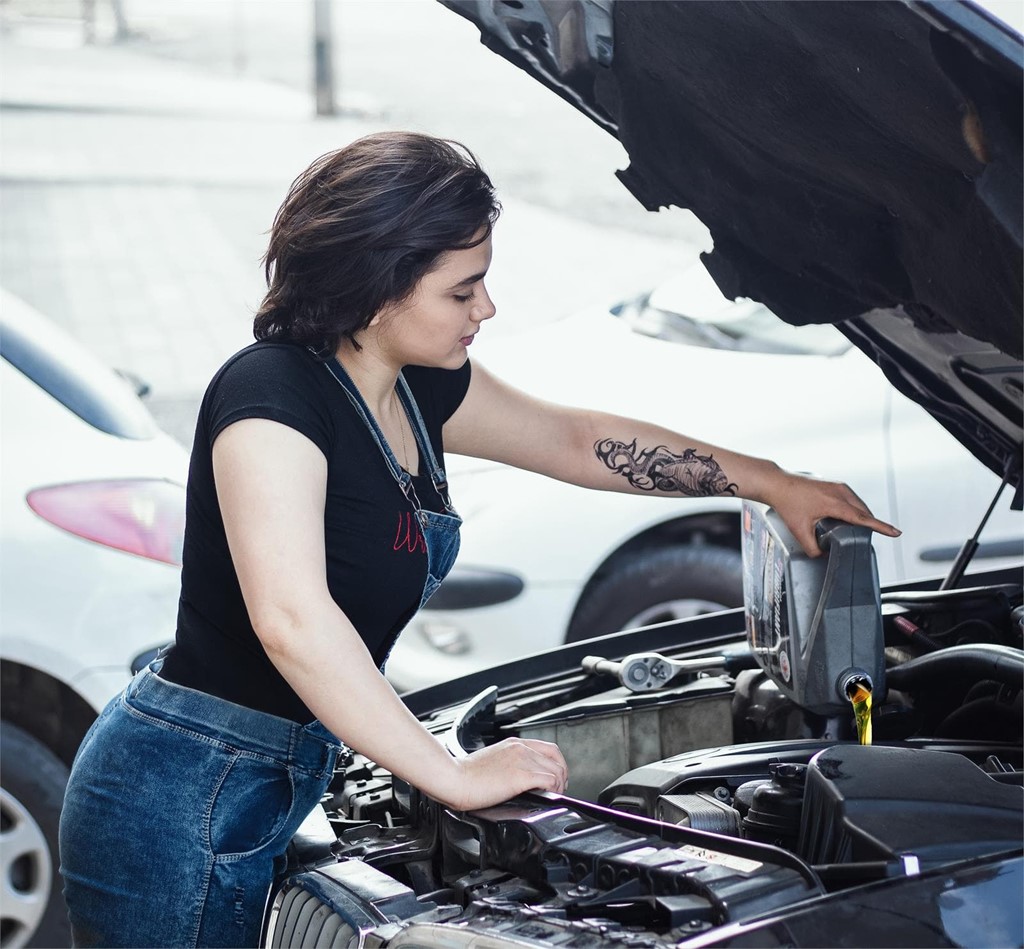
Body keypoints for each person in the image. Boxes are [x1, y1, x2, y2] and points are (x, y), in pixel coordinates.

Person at [58, 130, 900, 948]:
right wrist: (449, 772)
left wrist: (769, 480)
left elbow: (573, 441)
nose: (486, 308)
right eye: (462, 291)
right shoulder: (271, 397)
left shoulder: (417, 383)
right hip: (174, 792)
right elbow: (292, 621)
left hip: (270, 775)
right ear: (378, 284)